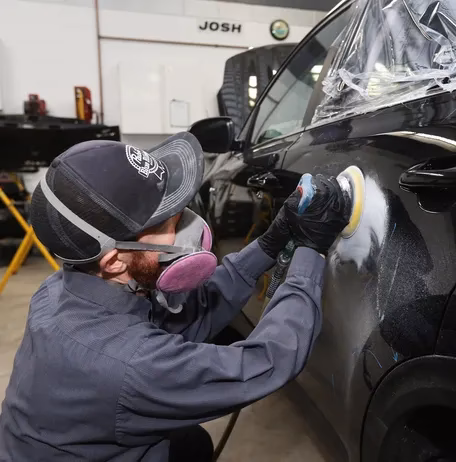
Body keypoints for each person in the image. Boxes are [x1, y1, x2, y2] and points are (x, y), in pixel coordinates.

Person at [0, 133, 349, 461]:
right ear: (114, 261)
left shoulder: (60, 289)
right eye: (168, 222)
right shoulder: (129, 365)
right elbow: (268, 362)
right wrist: (311, 250)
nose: (187, 227)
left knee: (192, 443)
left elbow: (190, 317)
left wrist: (271, 243)